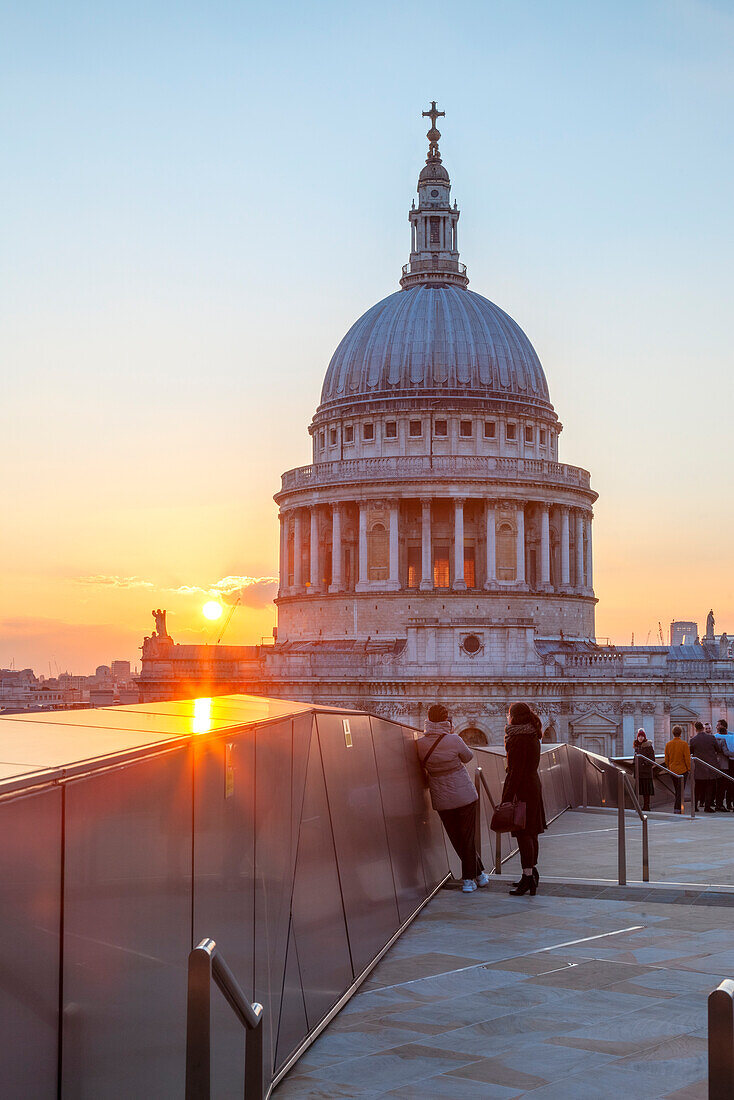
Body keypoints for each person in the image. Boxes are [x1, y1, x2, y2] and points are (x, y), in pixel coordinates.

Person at [417, 704, 488, 894]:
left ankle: (479, 875)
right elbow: (468, 757)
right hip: (464, 795)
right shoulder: (454, 739)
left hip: (441, 798)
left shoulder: (420, 743)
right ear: (446, 720)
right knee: (468, 837)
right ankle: (468, 879)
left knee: (456, 838)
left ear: (429, 720)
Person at [502, 701, 546, 897]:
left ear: (513, 716)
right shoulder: (532, 735)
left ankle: (527, 877)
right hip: (533, 786)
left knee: (524, 834)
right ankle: (532, 873)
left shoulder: (518, 738)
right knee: (532, 832)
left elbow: (515, 772)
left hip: (523, 790)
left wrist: (506, 798)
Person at [690, 720, 718, 812]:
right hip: (711, 767)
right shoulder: (712, 738)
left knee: (697, 787)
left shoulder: (693, 740)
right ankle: (707, 806)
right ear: (703, 728)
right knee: (709, 787)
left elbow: (691, 752)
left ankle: (694, 806)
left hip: (699, 767)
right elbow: (717, 749)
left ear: (696, 729)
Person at [664, 725, 690, 813]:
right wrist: (689, 768)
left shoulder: (668, 744)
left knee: (677, 789)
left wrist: (669, 767)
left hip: (672, 770)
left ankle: (677, 807)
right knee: (680, 790)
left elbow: (666, 759)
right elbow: (687, 758)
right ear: (681, 733)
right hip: (683, 770)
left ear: (673, 733)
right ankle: (678, 808)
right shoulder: (684, 744)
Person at [633, 729, 656, 811]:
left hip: (646, 772)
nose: (640, 738)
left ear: (644, 737)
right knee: (640, 790)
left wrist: (644, 763)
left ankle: (646, 806)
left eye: (642, 736)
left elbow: (652, 759)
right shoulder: (637, 746)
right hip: (639, 772)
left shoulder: (648, 746)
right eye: (639, 736)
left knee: (646, 791)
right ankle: (639, 806)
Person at [716, 719, 734, 810]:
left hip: (724, 765)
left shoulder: (718, 737)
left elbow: (725, 752)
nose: (717, 727)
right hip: (727, 764)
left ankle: (723, 804)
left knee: (724, 785)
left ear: (723, 726)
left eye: (718, 725)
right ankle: (728, 804)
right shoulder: (731, 736)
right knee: (728, 785)